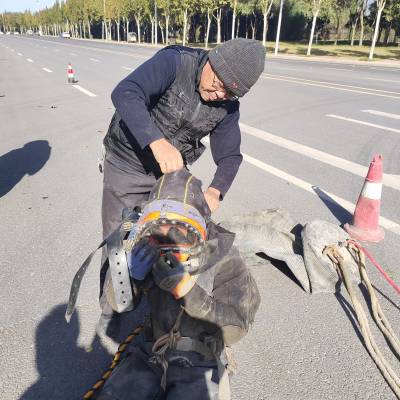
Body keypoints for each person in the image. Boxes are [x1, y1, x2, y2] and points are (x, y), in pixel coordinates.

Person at [99, 38, 265, 332]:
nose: (218, 94)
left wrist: (216, 190)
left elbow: (230, 157)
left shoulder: (227, 106)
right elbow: (126, 92)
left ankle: (163, 308)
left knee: (171, 239)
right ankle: (112, 312)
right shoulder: (175, 63)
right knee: (118, 240)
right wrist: (157, 142)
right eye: (217, 83)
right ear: (212, 59)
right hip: (126, 162)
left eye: (229, 92)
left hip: (169, 176)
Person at [95, 169, 261, 400]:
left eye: (180, 233)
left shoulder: (224, 257)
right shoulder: (146, 252)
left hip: (202, 359)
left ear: (200, 230)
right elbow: (119, 304)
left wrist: (188, 292)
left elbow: (234, 330)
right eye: (158, 233)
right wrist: (130, 277)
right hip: (153, 352)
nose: (169, 244)